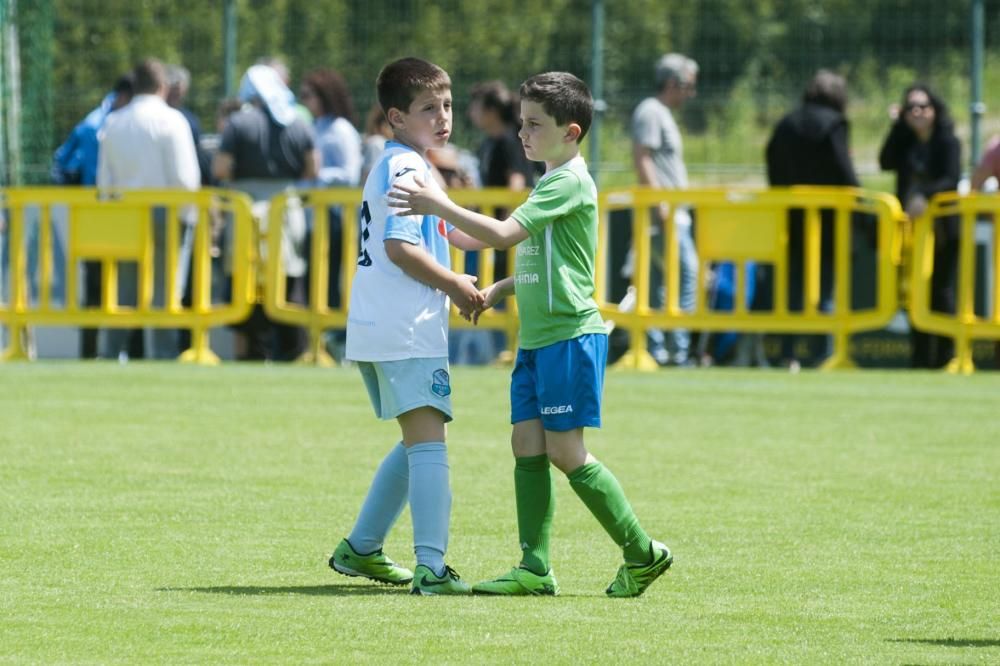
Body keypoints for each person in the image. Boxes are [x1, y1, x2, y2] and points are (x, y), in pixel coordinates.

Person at [389, 71, 672, 597]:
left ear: (571, 132)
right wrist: (503, 287)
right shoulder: (550, 180)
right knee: (526, 446)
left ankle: (642, 551)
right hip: (538, 342)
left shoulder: (568, 180)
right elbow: (549, 265)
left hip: (569, 338)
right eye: (521, 122)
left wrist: (437, 203)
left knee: (567, 454)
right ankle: (534, 568)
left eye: (535, 124)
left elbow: (501, 234)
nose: (523, 133)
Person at [329, 57, 485, 596]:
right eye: (428, 109)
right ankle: (432, 568)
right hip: (405, 327)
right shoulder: (404, 168)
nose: (443, 118)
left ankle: (362, 548)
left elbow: (455, 233)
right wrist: (454, 285)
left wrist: (520, 232)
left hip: (382, 325)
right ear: (396, 117)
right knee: (428, 446)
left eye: (446, 106)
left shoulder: (410, 163)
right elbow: (401, 248)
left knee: (414, 440)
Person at [212, 63, 318, 361]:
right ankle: (294, 350)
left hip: (245, 210)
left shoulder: (238, 124)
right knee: (289, 276)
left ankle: (251, 351)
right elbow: (313, 168)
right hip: (287, 208)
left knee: (245, 278)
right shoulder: (298, 123)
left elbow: (221, 167)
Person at [97, 58, 201, 360]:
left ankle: (111, 352)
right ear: (163, 86)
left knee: (123, 291)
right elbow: (185, 178)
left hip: (125, 213)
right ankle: (163, 355)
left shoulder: (114, 121)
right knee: (166, 290)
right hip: (166, 212)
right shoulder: (172, 120)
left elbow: (105, 180)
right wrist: (189, 215)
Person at [766, 69, 860, 370]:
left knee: (792, 287)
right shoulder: (835, 123)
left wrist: (782, 193)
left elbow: (771, 158)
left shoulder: (787, 122)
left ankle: (788, 352)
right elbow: (843, 169)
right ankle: (823, 353)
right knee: (826, 287)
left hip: (791, 215)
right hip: (829, 218)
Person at [51, 73, 134, 358]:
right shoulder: (102, 125)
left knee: (95, 289)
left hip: (92, 214)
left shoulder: (92, 121)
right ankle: (122, 353)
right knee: (118, 287)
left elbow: (60, 165)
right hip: (113, 214)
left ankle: (90, 353)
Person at [879, 83, 961, 369]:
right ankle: (920, 358)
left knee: (941, 290)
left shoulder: (947, 141)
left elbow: (951, 178)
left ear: (935, 110)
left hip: (942, 230)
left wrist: (923, 196)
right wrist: (896, 127)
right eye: (911, 107)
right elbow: (885, 162)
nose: (917, 112)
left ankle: (947, 355)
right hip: (911, 231)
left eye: (923, 106)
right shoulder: (905, 141)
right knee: (912, 293)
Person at [631, 53, 700, 367]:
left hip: (673, 211)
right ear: (673, 83)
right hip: (665, 212)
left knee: (669, 278)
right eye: (688, 85)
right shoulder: (651, 111)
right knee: (683, 275)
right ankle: (672, 348)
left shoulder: (662, 113)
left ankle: (668, 347)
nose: (691, 93)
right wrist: (659, 201)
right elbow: (642, 156)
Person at [299, 68, 363, 357]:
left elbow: (349, 173)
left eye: (308, 95)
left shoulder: (341, 130)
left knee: (332, 279)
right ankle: (319, 340)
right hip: (314, 215)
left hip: (336, 216)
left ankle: (337, 340)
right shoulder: (316, 126)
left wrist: (317, 176)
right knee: (315, 279)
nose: (305, 101)